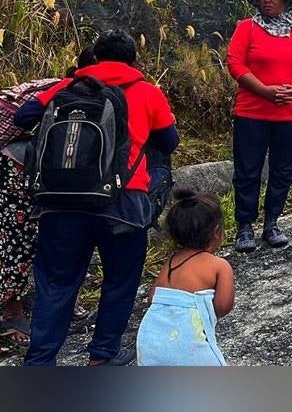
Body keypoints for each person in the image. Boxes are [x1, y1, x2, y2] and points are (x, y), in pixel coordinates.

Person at [15, 29, 179, 366]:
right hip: (122, 203)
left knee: (56, 282)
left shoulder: (65, 88)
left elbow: (23, 117)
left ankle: (40, 362)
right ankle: (102, 356)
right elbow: (169, 141)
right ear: (134, 61)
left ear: (96, 57)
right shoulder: (147, 92)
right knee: (120, 279)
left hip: (60, 201)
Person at [0, 50, 96, 347]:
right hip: (16, 164)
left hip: (53, 171)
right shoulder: (64, 90)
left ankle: (56, 302)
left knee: (59, 234)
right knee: (20, 235)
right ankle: (10, 310)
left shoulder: (104, 94)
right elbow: (22, 117)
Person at [226, 0, 292, 253]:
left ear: (285, 2)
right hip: (252, 112)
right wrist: (265, 90)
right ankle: (244, 227)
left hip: (289, 114)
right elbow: (235, 63)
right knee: (247, 169)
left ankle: (272, 223)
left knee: (283, 170)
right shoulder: (247, 28)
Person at [136, 188, 234, 366]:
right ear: (217, 231)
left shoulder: (171, 262)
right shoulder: (219, 265)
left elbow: (153, 298)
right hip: (189, 345)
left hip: (150, 341)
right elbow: (223, 306)